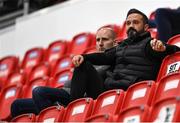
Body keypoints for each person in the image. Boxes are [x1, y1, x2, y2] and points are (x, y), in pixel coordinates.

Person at [70, 8, 180, 101]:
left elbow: (175, 50)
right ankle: (73, 108)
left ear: (146, 27)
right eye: (128, 23)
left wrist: (164, 47)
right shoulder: (121, 46)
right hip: (107, 90)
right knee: (82, 64)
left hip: (131, 91)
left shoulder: (149, 44)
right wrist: (82, 56)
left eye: (135, 22)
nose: (131, 26)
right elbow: (103, 57)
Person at [11, 27, 117, 118]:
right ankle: (55, 110)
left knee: (38, 91)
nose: (100, 43)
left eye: (105, 39)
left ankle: (57, 116)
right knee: (16, 105)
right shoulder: (91, 59)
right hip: (69, 94)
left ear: (115, 42)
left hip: (83, 96)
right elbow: (70, 83)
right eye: (98, 40)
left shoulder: (113, 58)